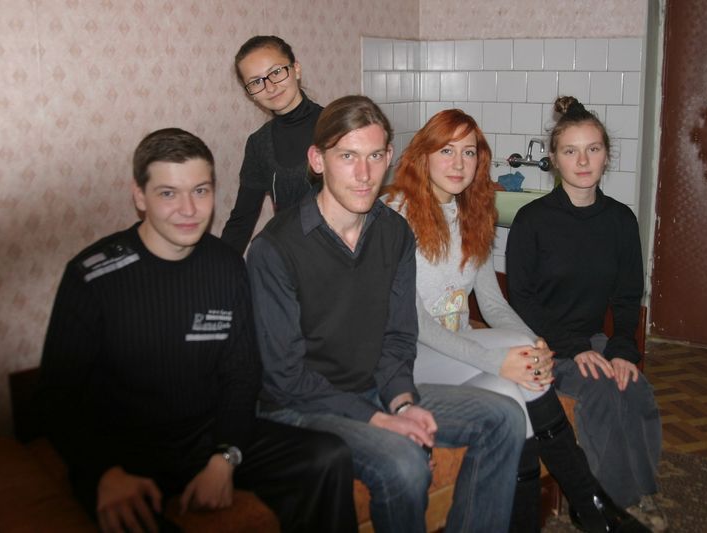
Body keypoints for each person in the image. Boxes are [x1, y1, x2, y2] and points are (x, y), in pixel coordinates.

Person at [38, 128, 357, 533]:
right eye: (168, 193)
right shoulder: (92, 276)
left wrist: (225, 457)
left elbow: (242, 374)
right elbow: (57, 397)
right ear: (140, 196)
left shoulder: (226, 265)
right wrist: (103, 472)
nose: (188, 209)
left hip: (207, 438)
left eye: (201, 191)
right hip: (125, 454)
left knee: (327, 457)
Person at [246, 95, 527, 533]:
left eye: (375, 156)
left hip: (374, 388)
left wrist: (403, 401)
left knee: (504, 417)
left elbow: (398, 336)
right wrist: (382, 418)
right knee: (404, 463)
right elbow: (285, 377)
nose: (364, 174)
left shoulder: (393, 232)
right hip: (301, 405)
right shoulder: (274, 248)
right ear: (317, 160)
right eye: (348, 156)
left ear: (390, 157)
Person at [383, 109, 649, 533]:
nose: (458, 163)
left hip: (454, 349)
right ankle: (590, 501)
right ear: (423, 155)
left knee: (517, 389)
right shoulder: (395, 215)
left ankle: (548, 515)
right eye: (446, 150)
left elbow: (492, 304)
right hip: (407, 356)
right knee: (518, 368)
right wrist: (499, 359)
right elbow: (416, 323)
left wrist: (536, 342)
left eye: (469, 152)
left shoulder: (472, 212)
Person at [506, 96, 665, 532]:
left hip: (593, 340)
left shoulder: (621, 221)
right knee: (599, 391)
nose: (582, 161)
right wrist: (574, 348)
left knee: (634, 388)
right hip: (541, 342)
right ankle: (602, 501)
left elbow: (628, 297)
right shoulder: (532, 220)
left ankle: (640, 490)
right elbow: (521, 299)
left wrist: (621, 349)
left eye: (592, 149)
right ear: (554, 158)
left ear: (606, 155)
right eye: (570, 151)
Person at [221, 35, 323, 254]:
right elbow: (242, 219)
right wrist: (218, 266)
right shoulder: (258, 143)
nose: (270, 87)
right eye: (256, 82)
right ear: (250, 93)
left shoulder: (336, 126)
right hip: (290, 259)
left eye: (276, 72)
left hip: (344, 257)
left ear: (296, 69)